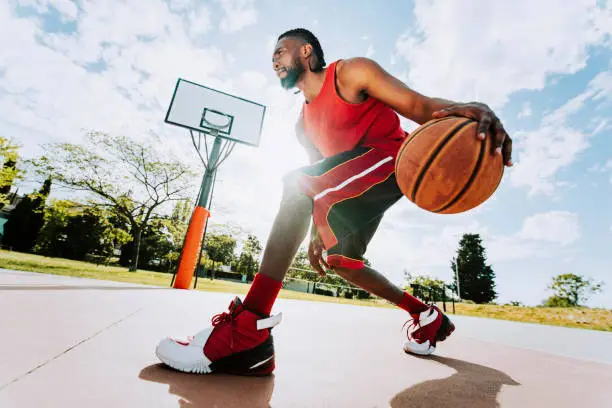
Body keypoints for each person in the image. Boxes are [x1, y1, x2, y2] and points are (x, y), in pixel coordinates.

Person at [155, 28, 513, 375]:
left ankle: (249, 328)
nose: (274, 60)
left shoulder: (350, 73)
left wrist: (468, 108)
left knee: (297, 183)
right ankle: (425, 315)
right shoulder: (303, 126)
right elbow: (323, 175)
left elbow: (418, 106)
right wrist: (315, 235)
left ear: (305, 51)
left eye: (280, 51)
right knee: (341, 261)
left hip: (395, 160)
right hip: (358, 179)